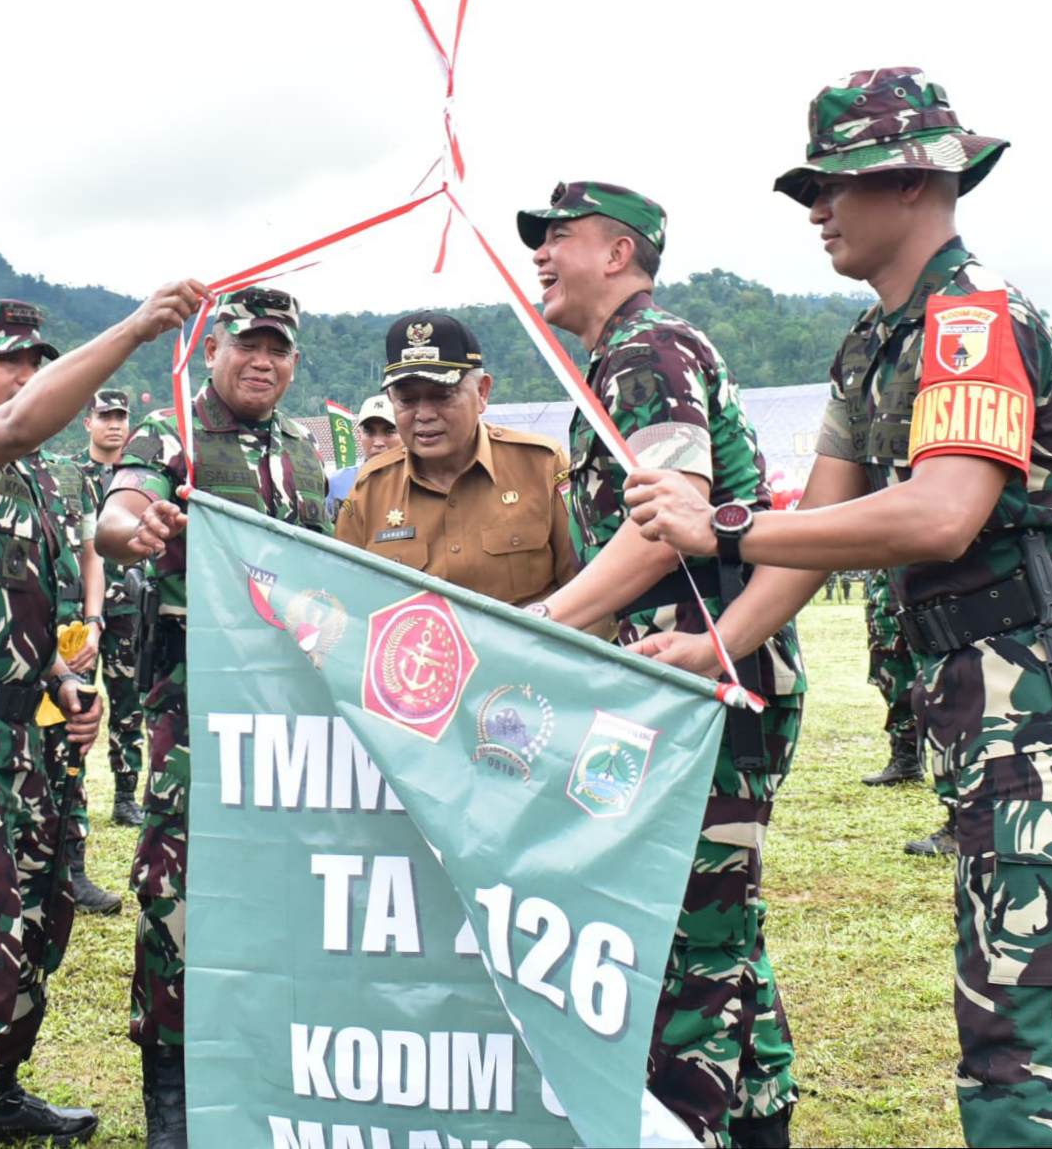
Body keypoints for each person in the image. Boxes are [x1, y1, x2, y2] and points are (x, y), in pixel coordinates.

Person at [624, 67, 1052, 1147]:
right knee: (1039, 1002)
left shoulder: (974, 320)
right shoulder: (873, 344)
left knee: (1039, 1019)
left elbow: (937, 516)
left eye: (837, 183)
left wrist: (721, 529)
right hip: (988, 697)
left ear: (917, 181)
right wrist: (719, 645)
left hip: (1045, 692)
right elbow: (820, 527)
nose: (818, 209)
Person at [0, 286, 200, 1149]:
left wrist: (63, 677)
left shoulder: (38, 484)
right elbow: (12, 426)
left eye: (31, 360)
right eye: (3, 357)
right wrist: (134, 329)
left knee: (35, 930)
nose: (21, 373)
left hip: (23, 734)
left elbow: (20, 600)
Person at [515, 180, 805, 1149]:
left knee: (687, 941)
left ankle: (698, 1126)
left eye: (559, 237)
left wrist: (540, 623)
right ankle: (761, 1121)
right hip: (689, 679)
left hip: (700, 685)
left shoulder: (647, 350)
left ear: (620, 250)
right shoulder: (620, 359)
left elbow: (663, 526)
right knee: (722, 930)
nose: (542, 255)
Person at [93, 285, 329, 1149]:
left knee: (285, 886)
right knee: (178, 886)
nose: (262, 360)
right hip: (196, 703)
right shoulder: (171, 432)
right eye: (246, 344)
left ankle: (269, 1069)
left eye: (278, 346)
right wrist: (135, 525)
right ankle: (172, 1086)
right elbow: (117, 512)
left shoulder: (308, 447)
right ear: (215, 348)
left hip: (295, 706)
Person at [335, 312, 576, 607]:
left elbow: (588, 590)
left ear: (482, 392)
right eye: (407, 400)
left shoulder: (542, 466)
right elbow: (349, 605)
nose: (424, 414)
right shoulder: (370, 490)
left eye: (442, 395)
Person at [34, 446, 118, 916]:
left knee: (71, 752)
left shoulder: (71, 477)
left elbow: (92, 555)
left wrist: (94, 620)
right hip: (15, 643)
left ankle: (73, 872)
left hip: (70, 640)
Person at [74, 389, 149, 830]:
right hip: (84, 609)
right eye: (105, 416)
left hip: (130, 610)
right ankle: (74, 790)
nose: (114, 425)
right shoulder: (72, 476)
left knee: (128, 707)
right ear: (88, 423)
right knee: (79, 703)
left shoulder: (139, 477)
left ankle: (125, 796)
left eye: (120, 417)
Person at [860, 569, 922, 789]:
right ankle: (905, 758)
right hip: (883, 597)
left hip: (919, 591)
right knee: (893, 679)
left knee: (939, 683)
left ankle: (955, 764)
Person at [324, 393, 398, 521]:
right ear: (359, 435)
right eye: (370, 432)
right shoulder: (336, 484)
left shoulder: (421, 481)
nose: (378, 442)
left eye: (389, 432)